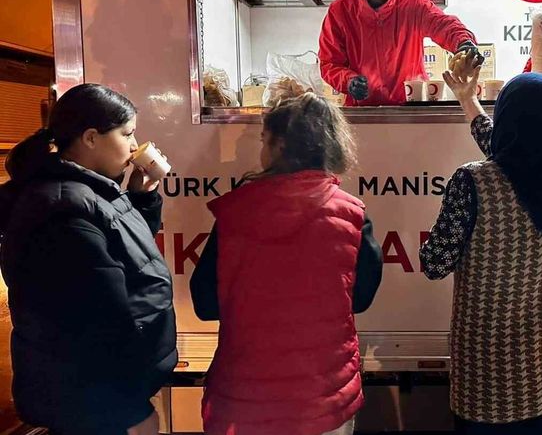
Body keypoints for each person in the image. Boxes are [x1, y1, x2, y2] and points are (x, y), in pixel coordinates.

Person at [190, 93, 383, 435]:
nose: (262, 150)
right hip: (322, 400)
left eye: (264, 140)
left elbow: (205, 303)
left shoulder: (234, 214)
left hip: (246, 401)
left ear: (280, 145)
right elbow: (361, 299)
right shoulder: (353, 216)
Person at [420, 58, 542, 434]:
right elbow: (512, 155)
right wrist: (469, 102)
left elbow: (435, 263)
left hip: (491, 386)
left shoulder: (471, 181)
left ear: (507, 116)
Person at [0, 83, 177, 435]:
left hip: (99, 394)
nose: (134, 145)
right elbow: (96, 323)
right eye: (127, 133)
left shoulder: (89, 193)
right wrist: (130, 407)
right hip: (95, 402)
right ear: (91, 138)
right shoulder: (63, 211)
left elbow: (128, 257)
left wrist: (141, 197)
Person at [319, 0, 482, 106]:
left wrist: (463, 42)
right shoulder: (340, 12)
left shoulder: (413, 1)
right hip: (363, 113)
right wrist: (349, 81)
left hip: (412, 109)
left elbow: (443, 25)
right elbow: (329, 64)